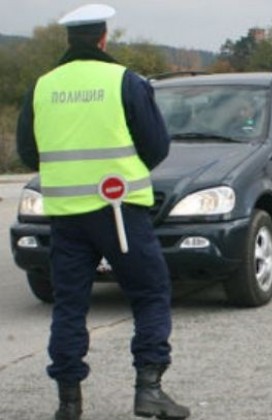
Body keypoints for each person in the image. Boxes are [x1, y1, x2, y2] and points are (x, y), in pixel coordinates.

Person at [16, 4, 190, 419]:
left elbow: (27, 152)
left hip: (65, 215)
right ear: (103, 38)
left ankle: (68, 403)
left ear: (68, 40)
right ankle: (149, 390)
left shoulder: (42, 87)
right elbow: (157, 144)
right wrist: (122, 174)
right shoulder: (125, 81)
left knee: (70, 306)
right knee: (149, 294)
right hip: (120, 211)